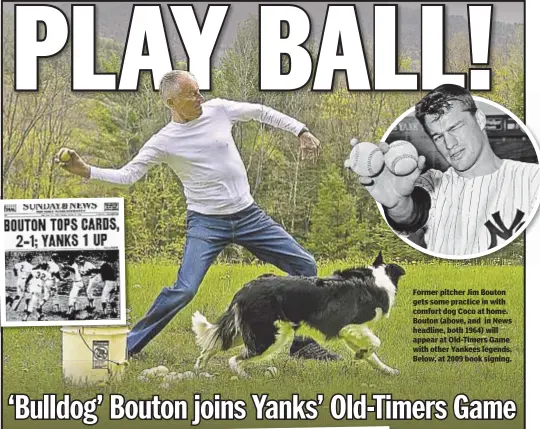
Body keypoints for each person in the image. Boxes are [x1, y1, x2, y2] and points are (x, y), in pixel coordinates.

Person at [57, 70, 339, 360]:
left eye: (198, 90)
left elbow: (260, 111)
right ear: (171, 102)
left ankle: (301, 344)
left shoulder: (218, 110)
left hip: (248, 216)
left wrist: (300, 130)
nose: (199, 97)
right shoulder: (165, 140)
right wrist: (87, 171)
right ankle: (128, 346)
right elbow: (129, 175)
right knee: (185, 289)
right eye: (191, 94)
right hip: (207, 223)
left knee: (305, 264)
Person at [354, 84, 540, 256]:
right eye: (438, 136)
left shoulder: (532, 179)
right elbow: (413, 213)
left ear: (480, 119)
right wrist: (398, 204)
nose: (450, 144)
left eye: (455, 128)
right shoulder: (433, 182)